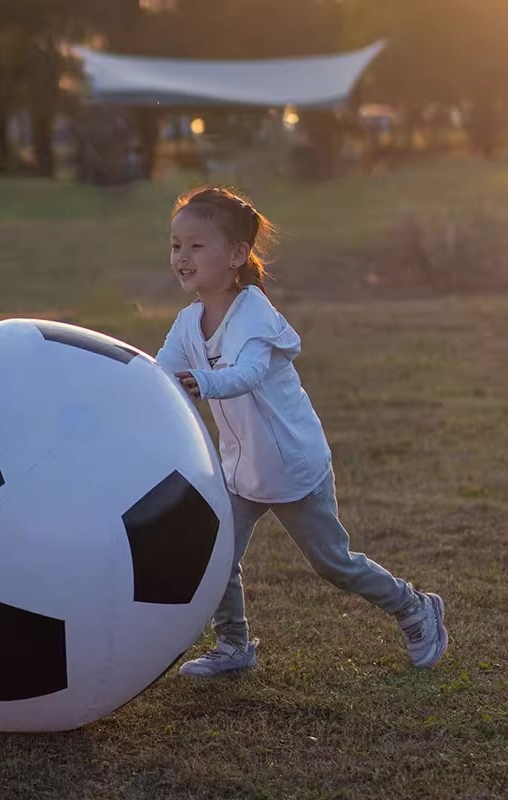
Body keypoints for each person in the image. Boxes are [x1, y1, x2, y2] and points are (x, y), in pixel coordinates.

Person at [155, 186, 448, 677]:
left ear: (236, 255)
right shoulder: (188, 323)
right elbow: (158, 371)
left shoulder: (254, 314)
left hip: (293, 465)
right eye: (175, 245)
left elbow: (246, 374)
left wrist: (201, 382)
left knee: (334, 564)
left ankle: (416, 608)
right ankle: (233, 645)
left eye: (196, 246)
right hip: (241, 469)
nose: (182, 257)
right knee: (216, 553)